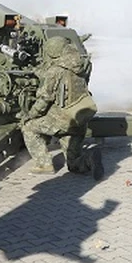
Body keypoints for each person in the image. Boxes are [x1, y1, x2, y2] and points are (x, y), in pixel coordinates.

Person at [21, 36, 102, 179]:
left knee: (28, 127)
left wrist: (30, 115)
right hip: (79, 119)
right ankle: (88, 161)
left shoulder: (55, 71)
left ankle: (43, 164)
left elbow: (44, 100)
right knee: (74, 165)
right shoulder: (83, 64)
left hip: (62, 120)